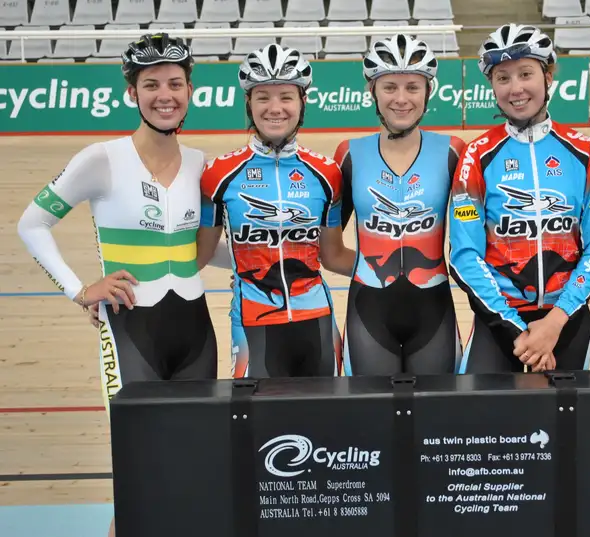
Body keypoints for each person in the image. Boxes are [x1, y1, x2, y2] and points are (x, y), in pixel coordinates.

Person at [17, 33, 219, 537]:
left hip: (197, 328)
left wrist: (270, 259)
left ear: (191, 89)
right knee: (137, 471)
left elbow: (208, 247)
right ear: (133, 92)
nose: (164, 94)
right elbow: (31, 224)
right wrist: (79, 288)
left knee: (194, 463)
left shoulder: (201, 164)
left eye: (175, 83)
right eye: (151, 84)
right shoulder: (100, 158)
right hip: (132, 328)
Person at [448, 23, 590, 374]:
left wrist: (553, 323)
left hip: (565, 320)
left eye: (526, 74)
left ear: (548, 76)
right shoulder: (477, 155)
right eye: (503, 78)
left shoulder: (586, 152)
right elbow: (464, 255)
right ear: (492, 86)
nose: (516, 88)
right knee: (481, 425)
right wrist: (518, 331)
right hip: (500, 322)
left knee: (564, 426)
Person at [196, 44, 355, 378]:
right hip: (253, 319)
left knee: (327, 421)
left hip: (317, 320)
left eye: (286, 96)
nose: (275, 108)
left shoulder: (327, 174)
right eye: (263, 97)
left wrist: (395, 274)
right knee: (259, 423)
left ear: (302, 103)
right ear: (248, 104)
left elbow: (333, 255)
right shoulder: (219, 174)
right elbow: (201, 253)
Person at [332, 34, 465, 376]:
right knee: (369, 422)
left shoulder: (454, 151)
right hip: (369, 311)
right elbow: (329, 253)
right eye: (390, 87)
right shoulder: (349, 154)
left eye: (413, 87)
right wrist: (371, 271)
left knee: (438, 423)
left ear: (428, 92)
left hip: (434, 312)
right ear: (372, 91)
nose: (402, 99)